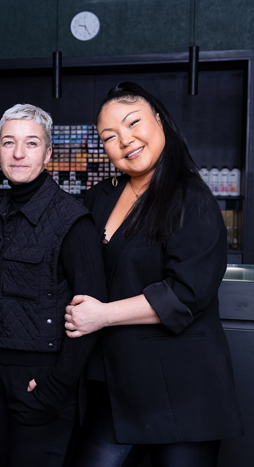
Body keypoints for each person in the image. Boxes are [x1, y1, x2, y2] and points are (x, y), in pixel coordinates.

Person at [65, 82, 243, 467]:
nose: (125, 140)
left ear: (159, 120)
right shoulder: (101, 196)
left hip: (183, 388)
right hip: (117, 384)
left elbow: (186, 294)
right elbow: (68, 249)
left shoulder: (191, 198)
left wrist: (102, 315)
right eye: (109, 136)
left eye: (133, 123)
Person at [0, 104, 107, 467]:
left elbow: (92, 312)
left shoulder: (72, 220)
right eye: (8, 142)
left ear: (47, 153)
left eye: (30, 143)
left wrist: (55, 388)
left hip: (39, 381)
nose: (18, 153)